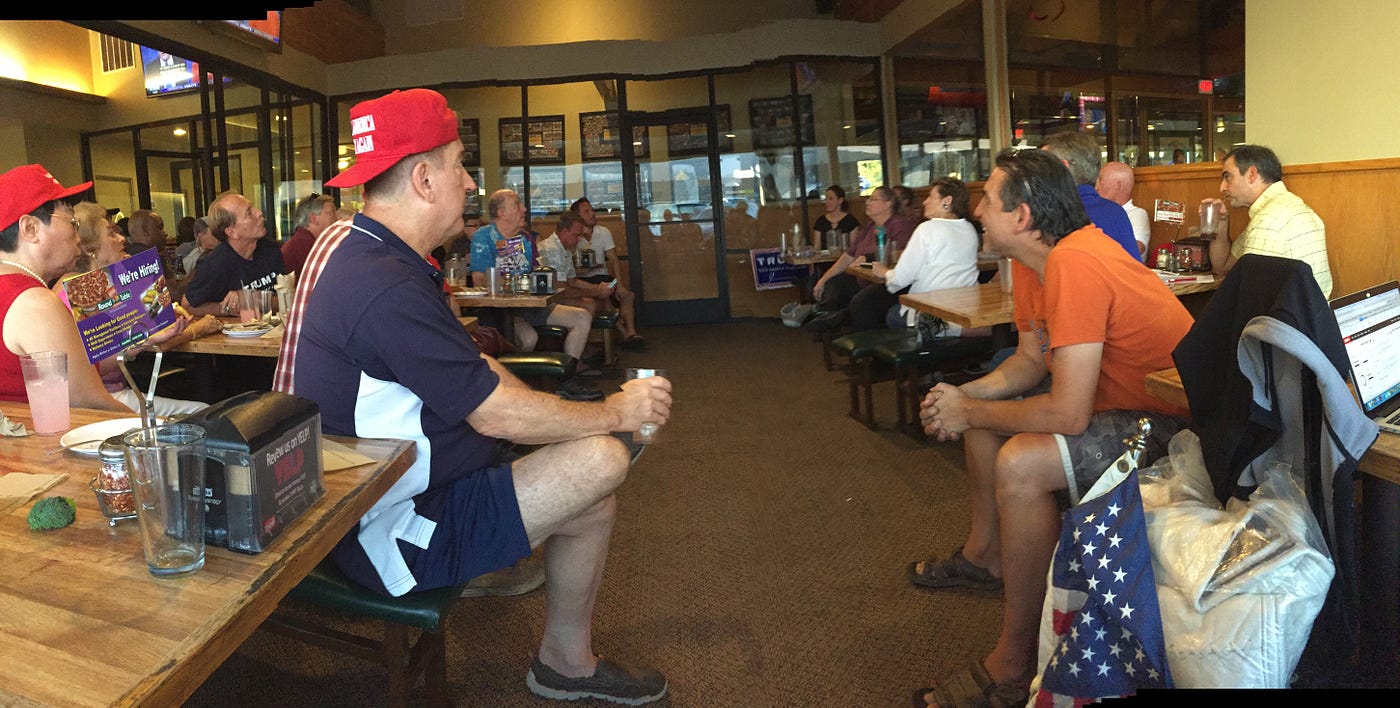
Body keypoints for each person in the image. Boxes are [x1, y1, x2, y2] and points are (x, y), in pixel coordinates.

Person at [272, 88, 673, 705]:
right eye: (460, 165)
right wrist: (615, 413)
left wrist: (571, 419)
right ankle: (560, 656)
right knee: (601, 460)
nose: (469, 182)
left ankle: (565, 662)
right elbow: (492, 412)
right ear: (424, 179)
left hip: (372, 492)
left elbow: (476, 370)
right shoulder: (382, 283)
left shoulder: (362, 246)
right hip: (380, 526)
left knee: (592, 496)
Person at [910, 148, 1194, 707]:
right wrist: (963, 400)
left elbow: (1068, 414)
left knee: (1021, 463)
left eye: (988, 201)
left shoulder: (1077, 260)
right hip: (1117, 409)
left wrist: (969, 409)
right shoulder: (1032, 262)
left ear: (1021, 216)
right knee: (984, 424)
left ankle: (1016, 663)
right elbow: (1030, 360)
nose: (977, 212)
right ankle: (986, 556)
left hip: (1175, 426)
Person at [52, 201, 204, 416]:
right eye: (111, 233)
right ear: (91, 249)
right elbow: (96, 364)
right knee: (201, 412)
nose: (122, 239)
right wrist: (146, 339)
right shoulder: (78, 292)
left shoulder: (101, 284)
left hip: (118, 391)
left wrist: (132, 278)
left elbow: (147, 322)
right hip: (102, 401)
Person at [0, 164, 128, 413]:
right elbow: (90, 404)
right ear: (30, 229)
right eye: (72, 222)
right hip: (44, 437)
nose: (78, 237)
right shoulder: (34, 303)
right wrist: (160, 429)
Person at [1201, 144, 1332, 297]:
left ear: (1251, 175)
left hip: (1285, 312)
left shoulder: (1267, 222)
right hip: (1314, 311)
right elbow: (1222, 266)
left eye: (1227, 177)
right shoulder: (1289, 206)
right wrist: (1221, 222)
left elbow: (1253, 298)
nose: (1222, 187)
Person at [871, 177, 985, 335]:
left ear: (947, 201)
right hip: (965, 310)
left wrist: (884, 272)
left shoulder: (927, 228)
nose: (925, 202)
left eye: (931, 196)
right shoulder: (969, 229)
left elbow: (901, 278)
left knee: (891, 314)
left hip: (934, 313)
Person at [806, 185, 917, 332]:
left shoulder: (900, 225)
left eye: (873, 199)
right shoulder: (869, 227)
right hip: (862, 279)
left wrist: (868, 257)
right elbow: (848, 256)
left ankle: (844, 323)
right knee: (833, 285)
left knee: (861, 302)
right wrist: (823, 280)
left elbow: (900, 253)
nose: (867, 202)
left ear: (888, 204)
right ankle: (830, 322)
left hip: (887, 283)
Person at [179, 191, 285, 317]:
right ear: (232, 232)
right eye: (249, 213)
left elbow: (288, 300)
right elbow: (187, 306)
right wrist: (228, 308)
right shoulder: (216, 263)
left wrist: (253, 299)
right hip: (237, 328)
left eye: (253, 207)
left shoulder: (269, 249)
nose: (259, 213)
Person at [1040, 132, 1139, 260]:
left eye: (1041, 167)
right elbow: (1133, 269)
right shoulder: (1115, 212)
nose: (1035, 175)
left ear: (1062, 168)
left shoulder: (1048, 215)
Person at [569, 197, 644, 350]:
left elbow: (614, 259)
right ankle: (624, 333)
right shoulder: (573, 236)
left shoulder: (603, 232)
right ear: (577, 216)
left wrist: (619, 284)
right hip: (583, 280)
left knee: (627, 295)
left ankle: (631, 331)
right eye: (586, 212)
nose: (592, 214)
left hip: (605, 278)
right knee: (605, 299)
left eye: (592, 210)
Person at [1095, 161, 1151, 262]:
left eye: (1100, 181)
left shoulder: (1136, 214)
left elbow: (1137, 249)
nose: (1096, 187)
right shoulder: (1098, 212)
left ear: (1118, 185)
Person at [281, 192, 338, 275]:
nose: (337, 217)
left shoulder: (303, 241)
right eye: (331, 213)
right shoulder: (305, 245)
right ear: (313, 218)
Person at [809, 185, 860, 251]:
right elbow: (817, 247)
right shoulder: (821, 221)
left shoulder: (851, 221)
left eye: (831, 198)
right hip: (824, 257)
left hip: (845, 257)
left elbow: (853, 248)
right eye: (826, 199)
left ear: (840, 200)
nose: (827, 202)